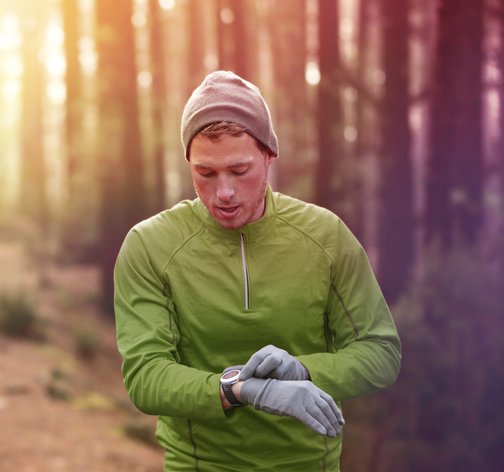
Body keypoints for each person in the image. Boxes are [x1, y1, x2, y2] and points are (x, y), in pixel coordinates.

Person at [113, 70, 401, 471]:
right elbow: (145, 377)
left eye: (240, 170)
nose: (224, 192)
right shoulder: (150, 245)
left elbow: (381, 353)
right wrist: (240, 390)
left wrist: (304, 370)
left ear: (269, 156)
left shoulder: (326, 236)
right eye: (205, 173)